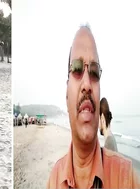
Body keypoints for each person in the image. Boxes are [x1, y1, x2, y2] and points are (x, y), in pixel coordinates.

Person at [47, 25, 139, 188]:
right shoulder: (54, 179)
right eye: (76, 68)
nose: (87, 84)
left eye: (95, 72)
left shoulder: (127, 178)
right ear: (67, 95)